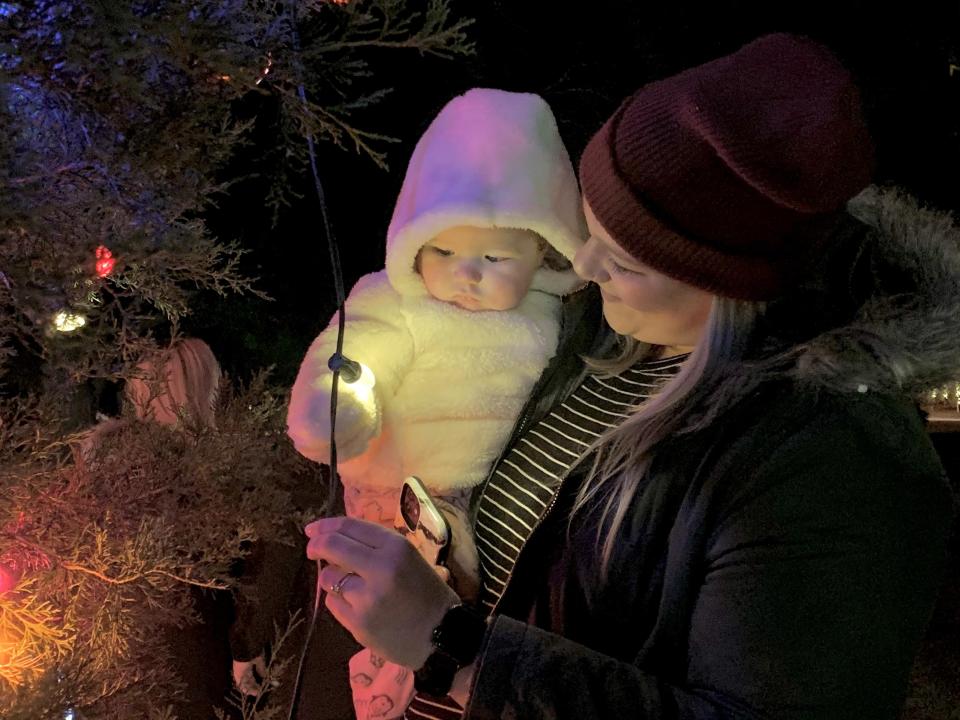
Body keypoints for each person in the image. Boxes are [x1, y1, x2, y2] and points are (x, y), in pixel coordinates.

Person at [303, 33, 958, 719]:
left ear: (730, 287)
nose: (583, 266)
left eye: (629, 261)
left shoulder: (839, 463)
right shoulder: (604, 341)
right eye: (591, 226)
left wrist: (452, 648)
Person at [284, 87, 586, 716]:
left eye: (495, 256)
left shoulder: (552, 321)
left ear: (544, 253)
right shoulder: (394, 301)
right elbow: (355, 352)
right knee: (365, 634)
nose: (465, 273)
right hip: (389, 505)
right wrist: (338, 405)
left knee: (431, 652)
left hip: (479, 522)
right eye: (443, 250)